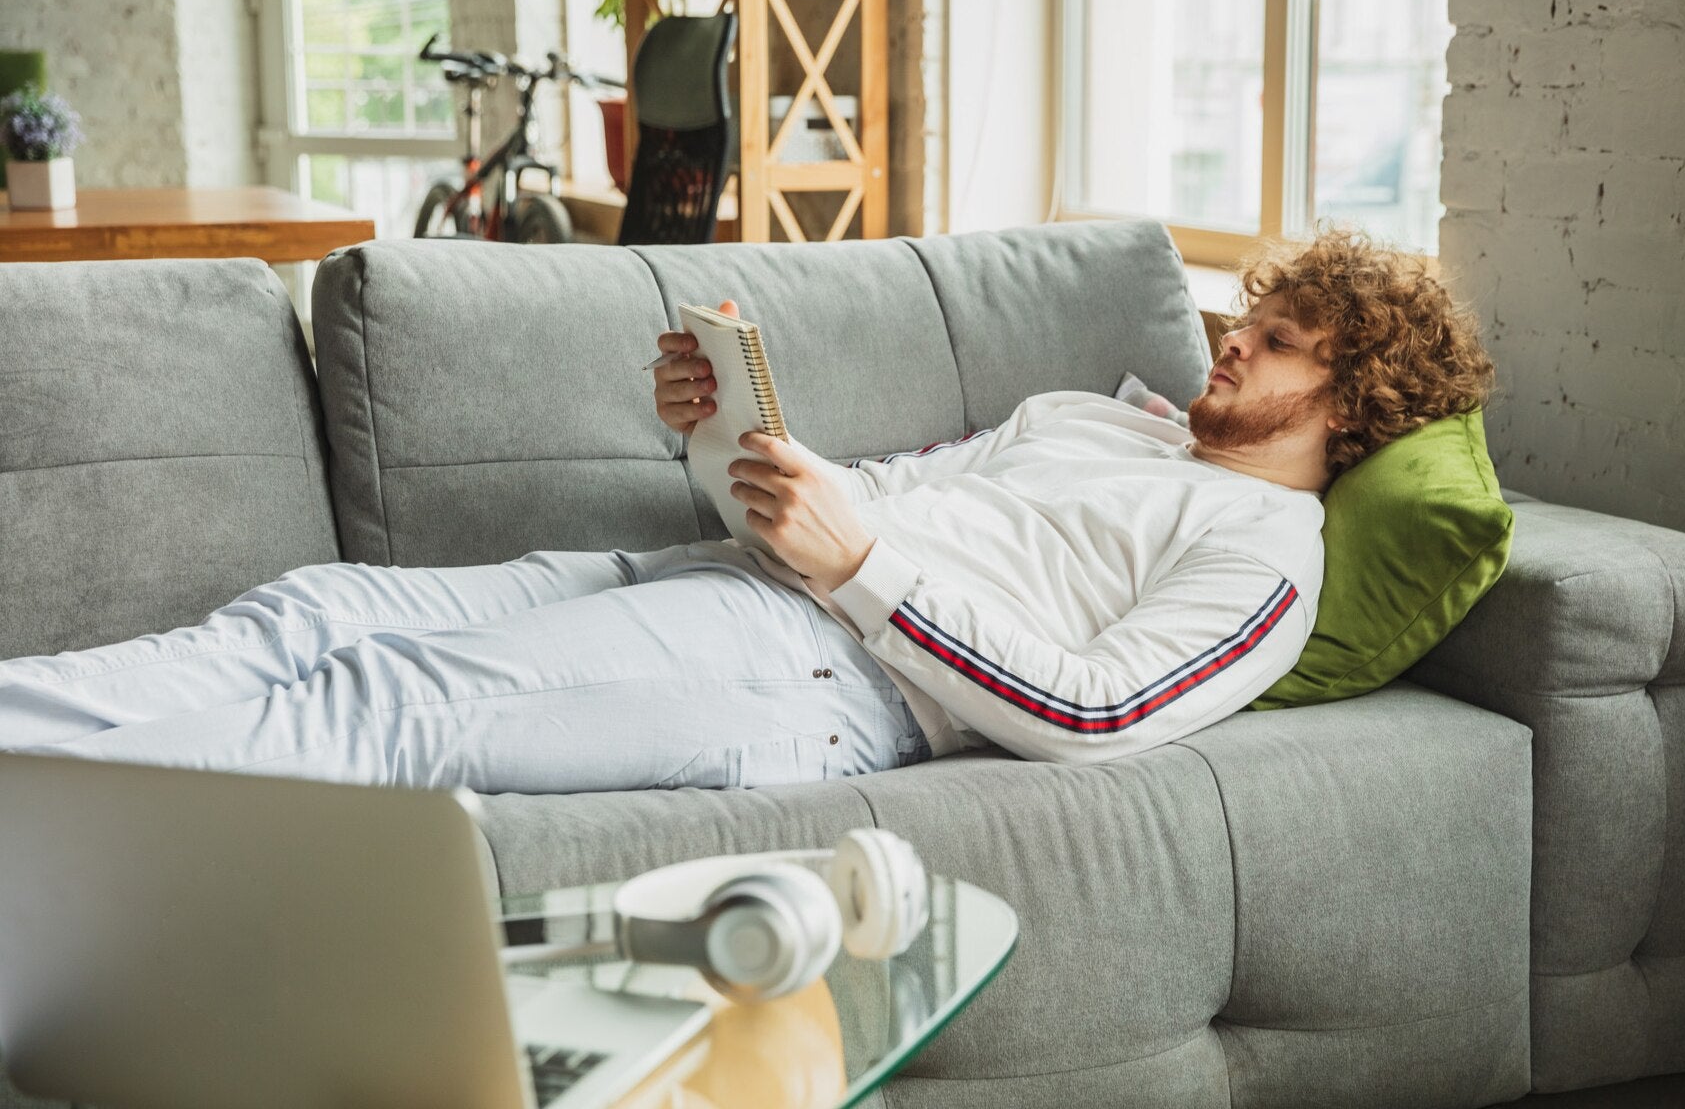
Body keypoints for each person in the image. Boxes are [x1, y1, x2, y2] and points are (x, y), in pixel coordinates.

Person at [0, 230, 1494, 792]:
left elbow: (1097, 714)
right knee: (320, 611)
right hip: (734, 572)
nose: (1234, 340)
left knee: (389, 699)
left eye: (1282, 341)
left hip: (835, 677)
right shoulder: (1103, 420)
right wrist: (737, 442)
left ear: (1353, 404)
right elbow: (894, 498)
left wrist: (865, 565)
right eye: (1251, 314)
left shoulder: (1264, 557)